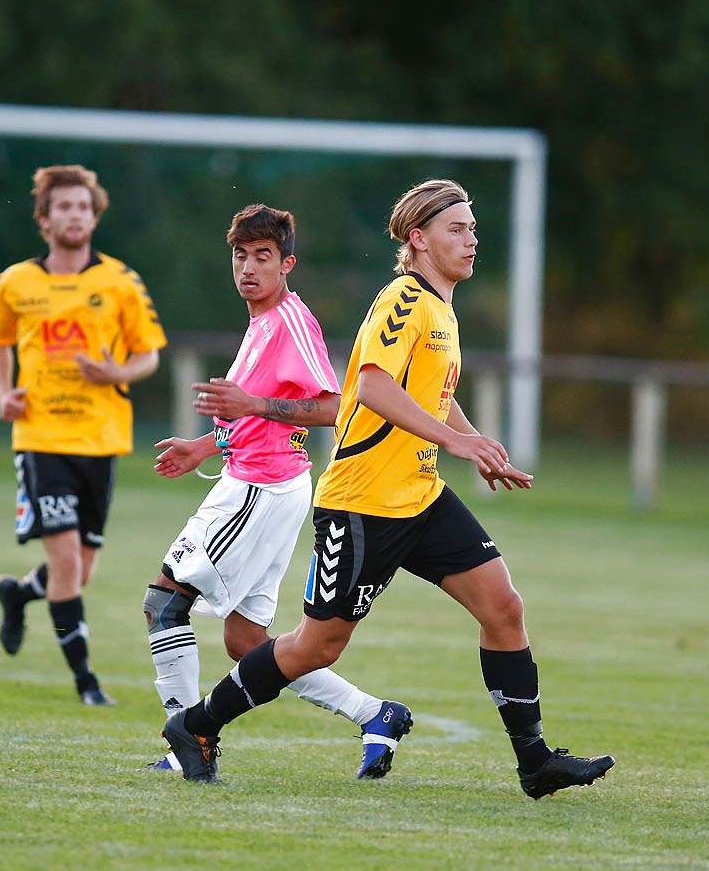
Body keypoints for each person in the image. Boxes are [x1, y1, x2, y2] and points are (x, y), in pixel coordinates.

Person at [159, 179, 614, 798]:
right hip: (364, 503)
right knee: (318, 645)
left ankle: (536, 763)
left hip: (420, 496)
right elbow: (370, 386)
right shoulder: (404, 300)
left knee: (503, 608)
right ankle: (198, 725)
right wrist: (457, 445)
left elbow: (433, 397)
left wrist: (475, 441)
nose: (472, 240)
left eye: (473, 229)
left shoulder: (442, 307)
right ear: (419, 239)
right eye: (458, 229)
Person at [145, 204, 411, 778]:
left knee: (165, 606)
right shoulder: (261, 322)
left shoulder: (289, 321)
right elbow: (253, 411)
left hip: (259, 489)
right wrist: (204, 444)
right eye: (240, 256)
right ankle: (375, 714)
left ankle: (185, 741)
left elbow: (336, 406)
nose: (248, 267)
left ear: (286, 263)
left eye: (263, 257)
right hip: (268, 483)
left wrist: (253, 409)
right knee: (247, 642)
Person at [0, 165, 166, 705]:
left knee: (80, 570)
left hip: (103, 439)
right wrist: (2, 392)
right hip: (41, 437)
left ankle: (18, 595)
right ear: (44, 219)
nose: (75, 216)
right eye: (64, 207)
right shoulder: (15, 282)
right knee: (65, 564)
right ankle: (87, 683)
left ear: (94, 216)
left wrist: (118, 373)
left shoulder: (120, 282)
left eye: (83, 208)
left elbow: (148, 353)